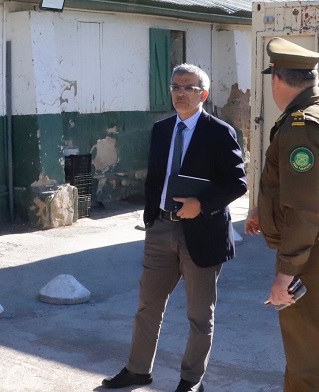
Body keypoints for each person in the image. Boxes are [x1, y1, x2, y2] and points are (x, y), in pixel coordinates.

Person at [103, 64, 247, 392]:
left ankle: (191, 380)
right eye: (176, 87)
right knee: (147, 306)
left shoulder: (219, 132)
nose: (180, 93)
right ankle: (138, 370)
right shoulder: (162, 129)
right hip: (161, 231)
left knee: (199, 315)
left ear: (203, 95)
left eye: (188, 88)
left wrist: (203, 204)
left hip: (202, 232)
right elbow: (156, 177)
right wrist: (152, 216)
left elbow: (237, 183)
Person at [244, 37, 319, 391]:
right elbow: (318, 188)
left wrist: (286, 273)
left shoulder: (301, 128)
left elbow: (304, 209)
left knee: (309, 358)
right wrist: (266, 211)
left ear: (277, 78)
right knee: (307, 347)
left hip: (312, 252)